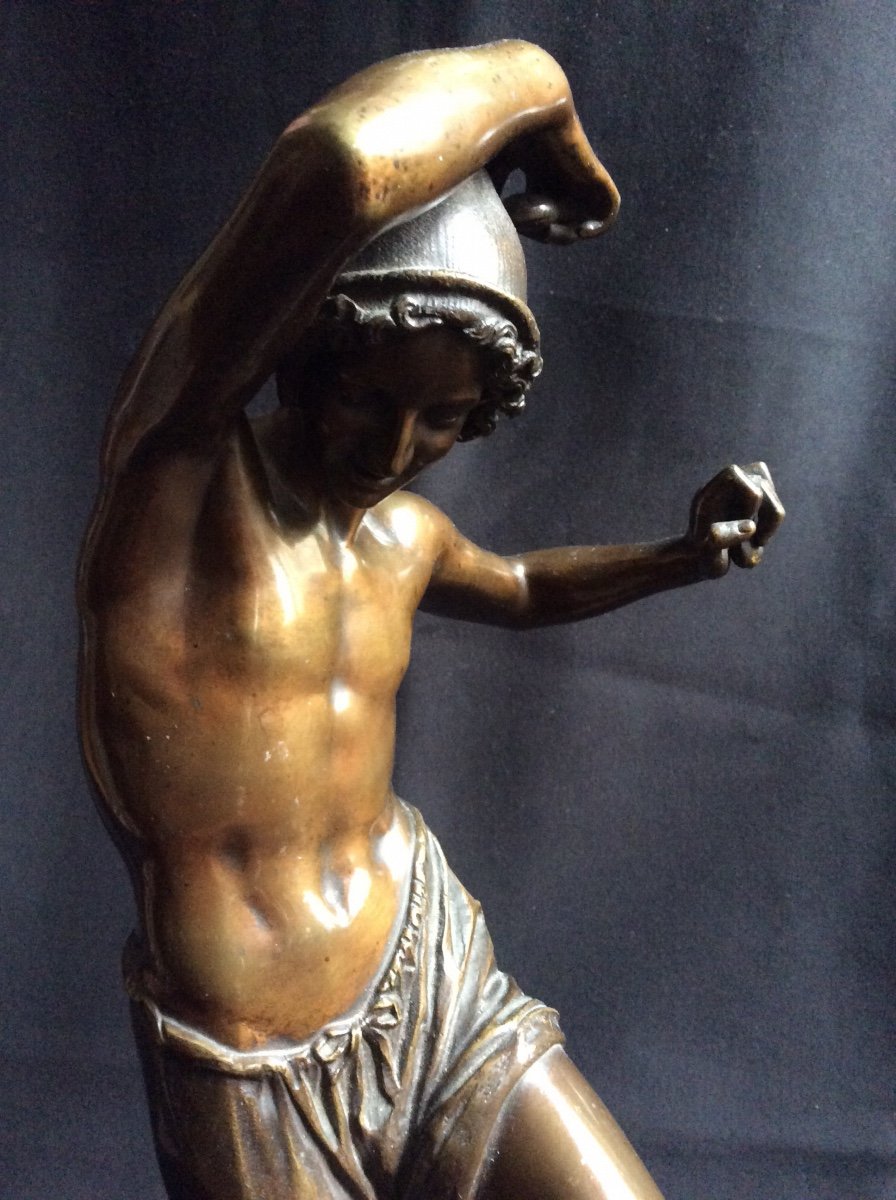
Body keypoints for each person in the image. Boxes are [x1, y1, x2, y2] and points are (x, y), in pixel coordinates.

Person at [78, 41, 783, 1200]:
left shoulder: (401, 537)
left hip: (431, 980)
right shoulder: (179, 479)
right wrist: (537, 91)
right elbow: (339, 164)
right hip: (251, 1055)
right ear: (305, 352)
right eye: (369, 400)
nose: (397, 449)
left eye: (443, 419)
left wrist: (682, 554)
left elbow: (521, 587)